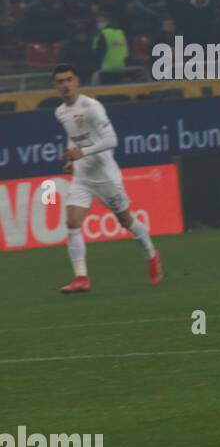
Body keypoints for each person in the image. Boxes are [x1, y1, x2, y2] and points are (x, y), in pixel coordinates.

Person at [52, 65, 162, 292]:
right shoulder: (60, 112)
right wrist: (72, 158)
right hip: (82, 175)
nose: (65, 85)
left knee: (126, 221)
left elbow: (112, 140)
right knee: (72, 222)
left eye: (68, 79)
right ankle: (81, 278)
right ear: (56, 86)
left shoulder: (92, 107)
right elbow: (74, 138)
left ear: (77, 81)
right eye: (60, 81)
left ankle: (151, 255)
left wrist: (82, 153)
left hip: (105, 175)